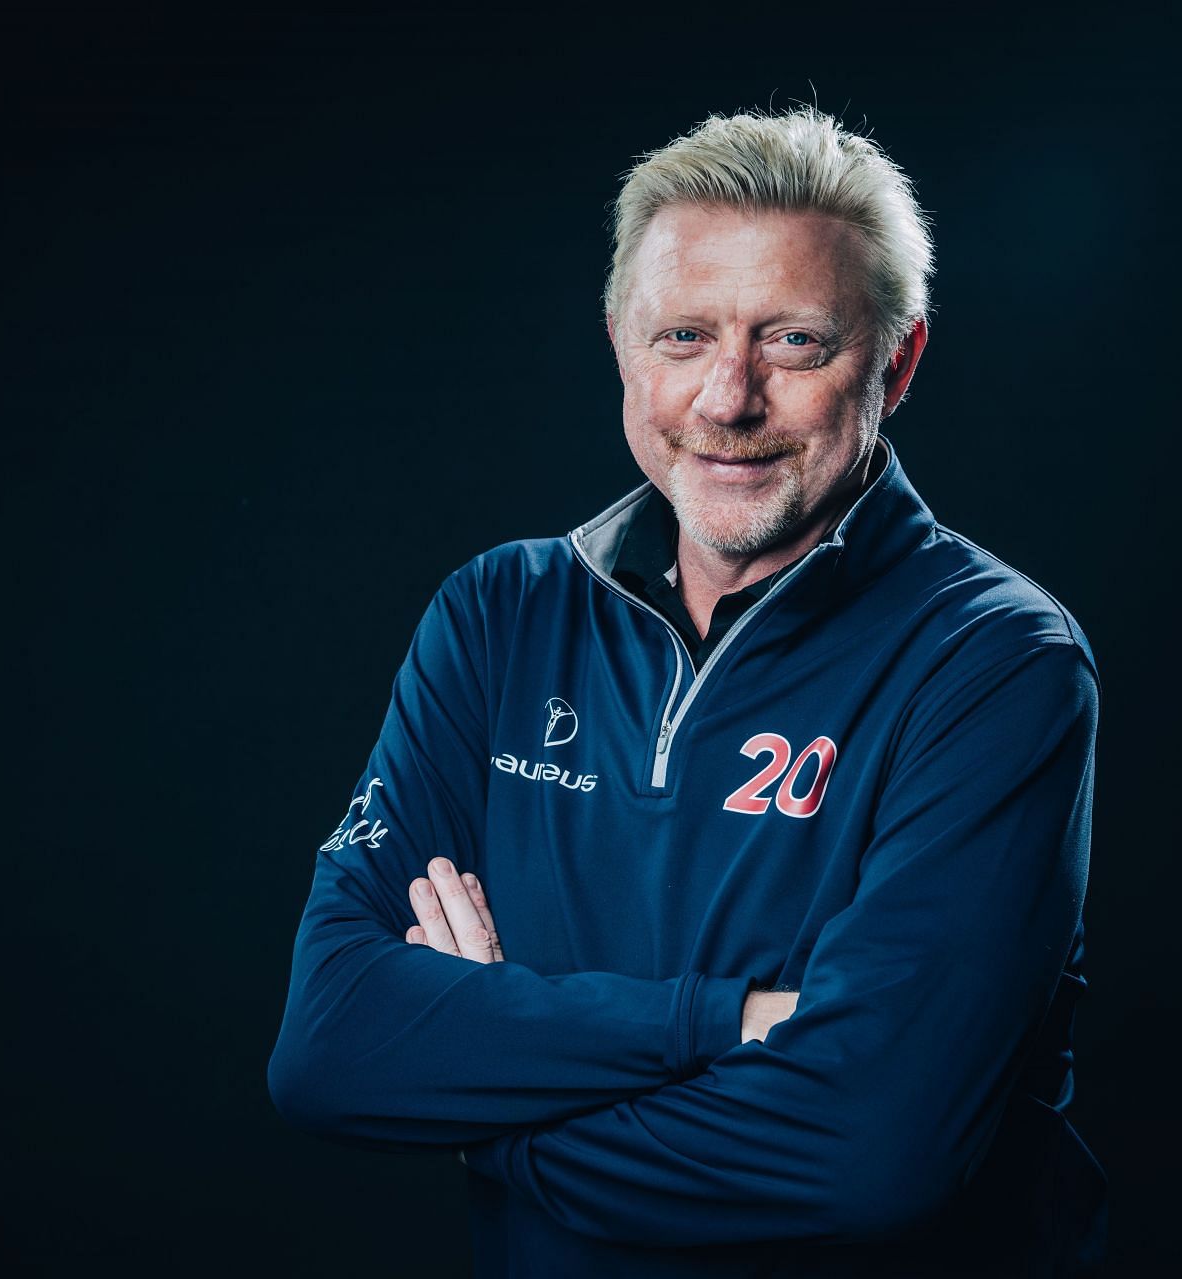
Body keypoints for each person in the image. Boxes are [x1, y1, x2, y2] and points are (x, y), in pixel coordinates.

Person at [268, 106, 1106, 1276]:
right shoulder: (502, 616)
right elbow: (330, 1046)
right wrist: (724, 1023)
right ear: (620, 342)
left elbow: (868, 1154)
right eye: (682, 338)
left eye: (796, 343)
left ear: (898, 361)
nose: (728, 398)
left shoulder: (995, 662)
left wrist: (482, 1099)